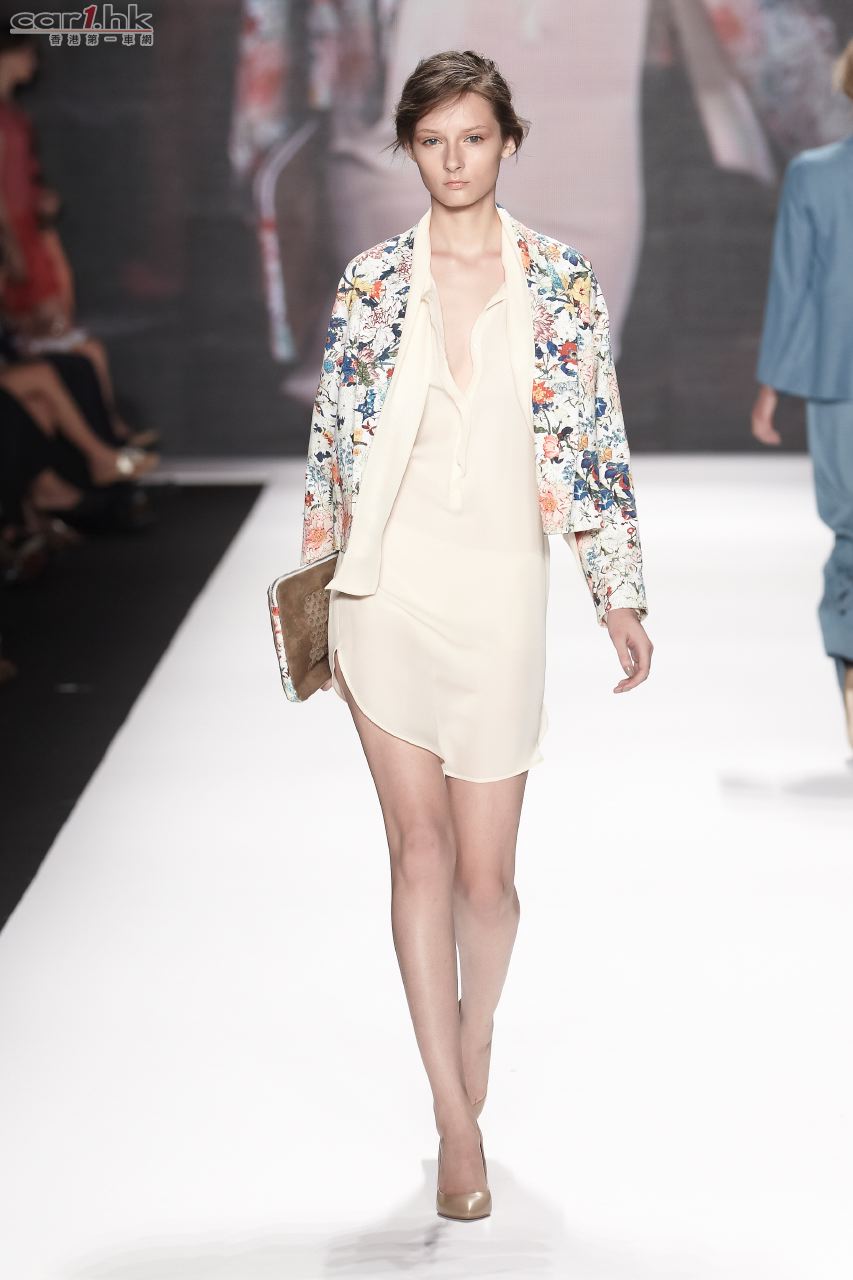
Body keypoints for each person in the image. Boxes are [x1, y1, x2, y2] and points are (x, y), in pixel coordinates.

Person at [298, 50, 652, 1221]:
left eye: (474, 138)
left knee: (489, 884)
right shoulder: (369, 283)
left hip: (501, 590)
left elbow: (592, 441)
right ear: (410, 147)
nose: (453, 161)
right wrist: (316, 598)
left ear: (508, 142)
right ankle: (457, 1119)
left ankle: (475, 1026)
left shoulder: (558, 280)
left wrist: (615, 589)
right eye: (432, 140)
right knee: (420, 854)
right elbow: (331, 448)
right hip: (382, 590)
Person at [751, 37, 853, 749]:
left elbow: (794, 289)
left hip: (837, 382)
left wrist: (772, 387)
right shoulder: (811, 176)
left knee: (851, 532)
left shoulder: (813, 177)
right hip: (836, 383)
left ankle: (850, 668)